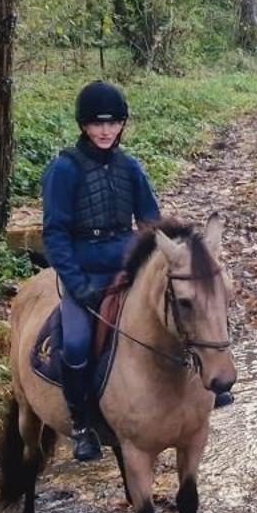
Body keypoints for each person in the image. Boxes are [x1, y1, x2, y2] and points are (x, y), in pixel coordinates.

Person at [41, 80, 160, 463]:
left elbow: (150, 221)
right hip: (84, 273)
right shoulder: (64, 169)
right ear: (84, 126)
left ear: (122, 124)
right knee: (75, 343)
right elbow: (55, 233)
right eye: (97, 124)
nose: (106, 131)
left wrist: (155, 265)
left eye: (113, 124)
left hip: (126, 268)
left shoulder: (130, 167)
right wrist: (76, 284)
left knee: (179, 314)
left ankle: (205, 386)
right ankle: (81, 426)